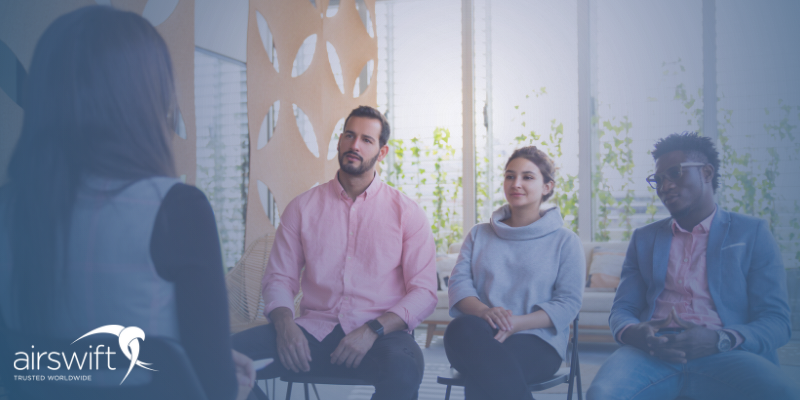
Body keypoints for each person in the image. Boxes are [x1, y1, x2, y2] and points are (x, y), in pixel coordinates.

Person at [0, 6, 254, 399]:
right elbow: (215, 390)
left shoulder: (10, 207)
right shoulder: (176, 210)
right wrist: (220, 377)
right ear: (148, 98)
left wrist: (196, 361)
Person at [232, 106, 437, 400]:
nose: (355, 145)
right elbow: (279, 278)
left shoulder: (407, 213)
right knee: (221, 359)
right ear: (339, 142)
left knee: (404, 372)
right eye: (350, 136)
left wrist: (372, 330)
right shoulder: (302, 208)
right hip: (313, 334)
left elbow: (424, 292)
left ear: (381, 152)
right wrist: (285, 325)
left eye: (367, 140)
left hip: (381, 337)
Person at [587, 132, 799, 400]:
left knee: (784, 393)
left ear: (707, 173)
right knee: (601, 394)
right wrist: (635, 332)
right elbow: (623, 309)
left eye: (675, 173)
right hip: (652, 353)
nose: (665, 186)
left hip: (727, 352)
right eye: (658, 179)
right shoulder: (645, 238)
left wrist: (720, 339)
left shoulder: (752, 233)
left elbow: (777, 321)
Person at [443, 146, 585, 400]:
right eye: (510, 176)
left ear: (547, 187)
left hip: (537, 341)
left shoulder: (565, 241)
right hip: (477, 334)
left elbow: (568, 304)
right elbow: (458, 286)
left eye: (527, 177)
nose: (516, 183)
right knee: (461, 329)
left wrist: (515, 324)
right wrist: (485, 312)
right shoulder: (479, 234)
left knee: (483, 374)